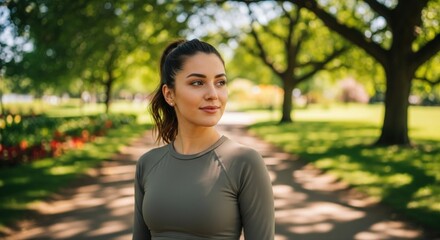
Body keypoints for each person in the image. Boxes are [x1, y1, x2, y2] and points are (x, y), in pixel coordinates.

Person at [133, 39, 274, 240]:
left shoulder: (245, 162)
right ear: (169, 94)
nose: (213, 94)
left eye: (220, 82)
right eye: (197, 83)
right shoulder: (147, 164)